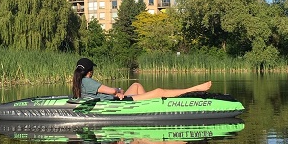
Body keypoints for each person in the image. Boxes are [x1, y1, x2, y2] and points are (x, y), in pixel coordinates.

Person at [71, 57, 212, 101]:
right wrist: (118, 90)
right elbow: (111, 90)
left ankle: (146, 104)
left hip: (118, 99)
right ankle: (194, 89)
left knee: (137, 85)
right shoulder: (87, 81)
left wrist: (118, 92)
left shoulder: (79, 82)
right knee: (159, 90)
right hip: (119, 104)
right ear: (89, 71)